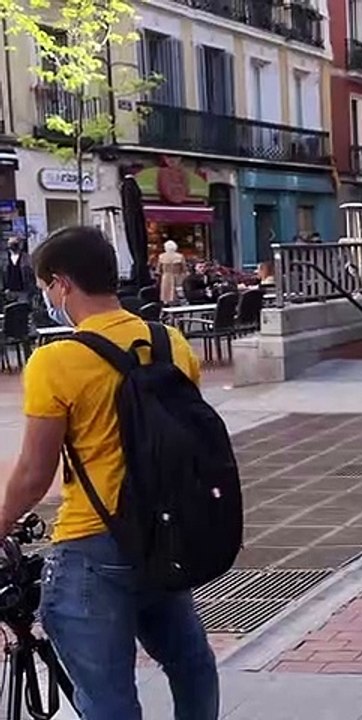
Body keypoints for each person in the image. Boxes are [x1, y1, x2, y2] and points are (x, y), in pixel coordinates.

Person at [0, 226, 219, 719]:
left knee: (108, 696)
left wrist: (1, 522)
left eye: (44, 286)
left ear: (61, 285)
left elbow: (36, 472)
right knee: (191, 663)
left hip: (92, 546)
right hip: (164, 535)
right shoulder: (171, 343)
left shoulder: (55, 361)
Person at [2, 237, 35, 303]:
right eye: (11, 245)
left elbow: (31, 274)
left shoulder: (26, 258)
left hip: (24, 290)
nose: (13, 247)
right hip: (9, 291)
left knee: (22, 308)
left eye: (15, 245)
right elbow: (2, 274)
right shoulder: (4, 259)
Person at [156, 240, 186, 305]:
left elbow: (158, 270)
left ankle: (167, 305)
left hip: (166, 277)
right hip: (178, 276)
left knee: (166, 295)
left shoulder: (161, 256)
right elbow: (184, 269)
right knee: (178, 294)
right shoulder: (180, 256)